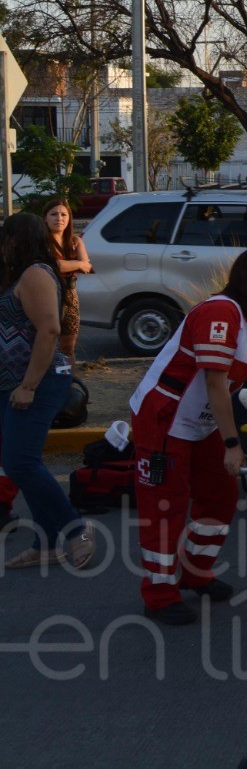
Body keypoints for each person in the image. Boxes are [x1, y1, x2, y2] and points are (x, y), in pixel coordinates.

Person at [130, 248, 247, 625]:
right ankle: (160, 595)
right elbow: (216, 383)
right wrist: (233, 444)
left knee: (219, 496)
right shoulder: (220, 312)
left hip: (201, 421)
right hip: (165, 419)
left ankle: (195, 573)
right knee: (165, 507)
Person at [0, 214, 95, 569]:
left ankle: (77, 529)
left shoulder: (36, 273)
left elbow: (50, 331)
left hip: (37, 380)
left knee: (19, 462)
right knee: (23, 462)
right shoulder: (14, 275)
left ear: (18, 240)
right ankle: (47, 545)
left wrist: (28, 386)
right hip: (11, 382)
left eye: (6, 239)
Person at [42, 199, 91, 363]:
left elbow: (87, 267)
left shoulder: (76, 242)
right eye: (54, 214)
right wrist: (77, 264)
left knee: (68, 347)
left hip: (70, 296)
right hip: (46, 296)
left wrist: (74, 265)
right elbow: (54, 265)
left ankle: (68, 382)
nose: (59, 218)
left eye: (64, 214)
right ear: (45, 218)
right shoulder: (42, 242)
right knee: (46, 344)